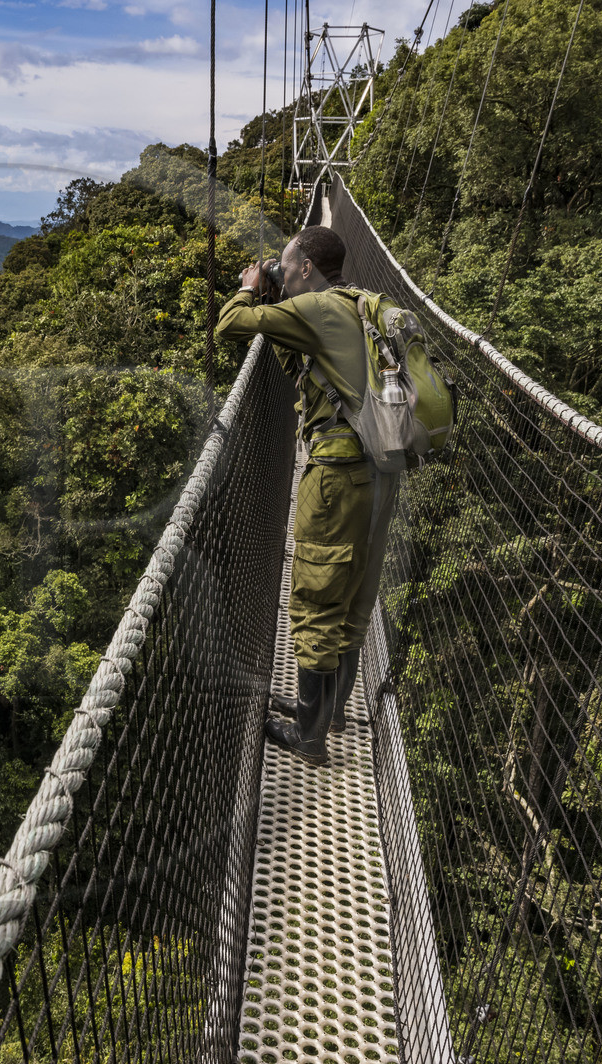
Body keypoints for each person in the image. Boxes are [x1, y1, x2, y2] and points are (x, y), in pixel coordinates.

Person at [216, 225, 399, 767]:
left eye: (285, 264)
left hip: (336, 476)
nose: (280, 270)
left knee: (317, 595)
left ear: (305, 268)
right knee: (351, 593)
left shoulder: (318, 307)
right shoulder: (359, 303)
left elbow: (230, 324)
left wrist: (251, 286)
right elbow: (302, 367)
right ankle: (328, 712)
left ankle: (310, 737)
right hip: (379, 473)